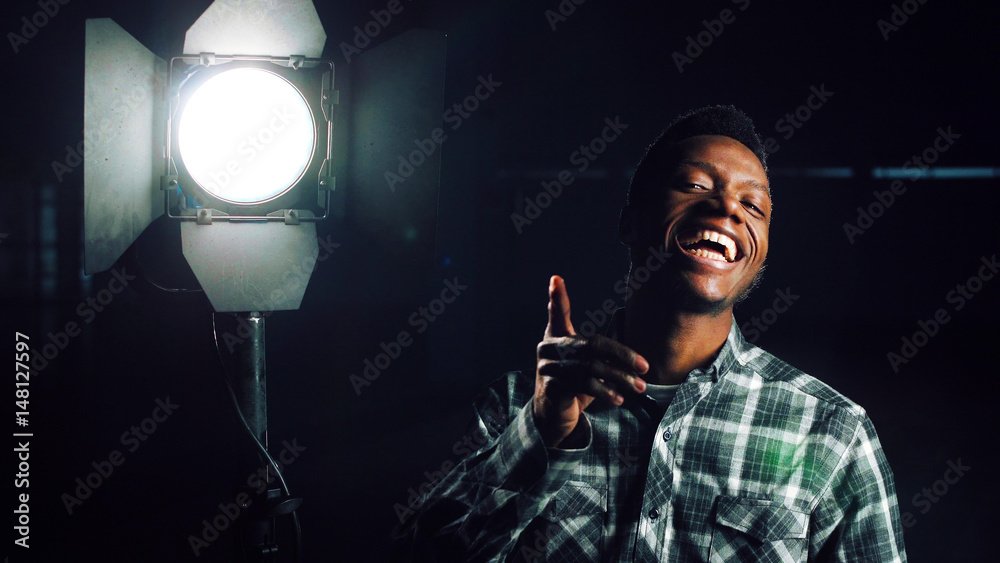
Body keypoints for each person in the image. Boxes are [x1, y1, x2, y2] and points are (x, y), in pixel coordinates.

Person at [391, 105, 907, 562]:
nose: (727, 208)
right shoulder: (513, 408)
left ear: (762, 250)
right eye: (695, 186)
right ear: (630, 220)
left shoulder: (832, 433)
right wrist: (540, 436)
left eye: (753, 205)